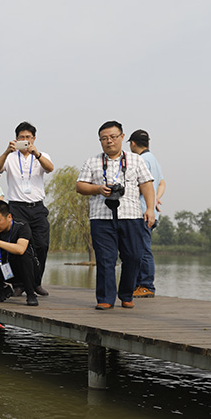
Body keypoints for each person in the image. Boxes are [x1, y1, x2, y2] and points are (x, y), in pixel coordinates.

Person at [76, 121, 155, 310]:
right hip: (101, 217)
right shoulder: (92, 161)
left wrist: (150, 209)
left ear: (122, 137)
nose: (109, 141)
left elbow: (147, 185)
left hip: (131, 215)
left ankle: (126, 294)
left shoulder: (136, 160)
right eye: (104, 138)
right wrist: (98, 189)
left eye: (113, 137)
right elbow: (80, 186)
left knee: (134, 256)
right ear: (100, 141)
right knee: (105, 259)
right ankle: (105, 298)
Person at [0, 121, 54, 296]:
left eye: (28, 137)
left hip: (37, 207)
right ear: (16, 139)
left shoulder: (41, 155)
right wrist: (6, 151)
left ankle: (35, 283)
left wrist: (37, 154)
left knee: (41, 245)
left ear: (34, 139)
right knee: (16, 247)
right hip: (16, 207)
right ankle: (19, 284)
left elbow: (50, 168)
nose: (25, 140)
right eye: (21, 137)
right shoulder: (11, 157)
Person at [128, 130, 166, 299]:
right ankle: (138, 285)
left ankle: (146, 285)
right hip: (150, 211)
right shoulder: (154, 160)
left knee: (142, 250)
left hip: (142, 212)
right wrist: (155, 198)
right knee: (140, 249)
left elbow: (138, 186)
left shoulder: (141, 160)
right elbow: (162, 183)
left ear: (133, 143)